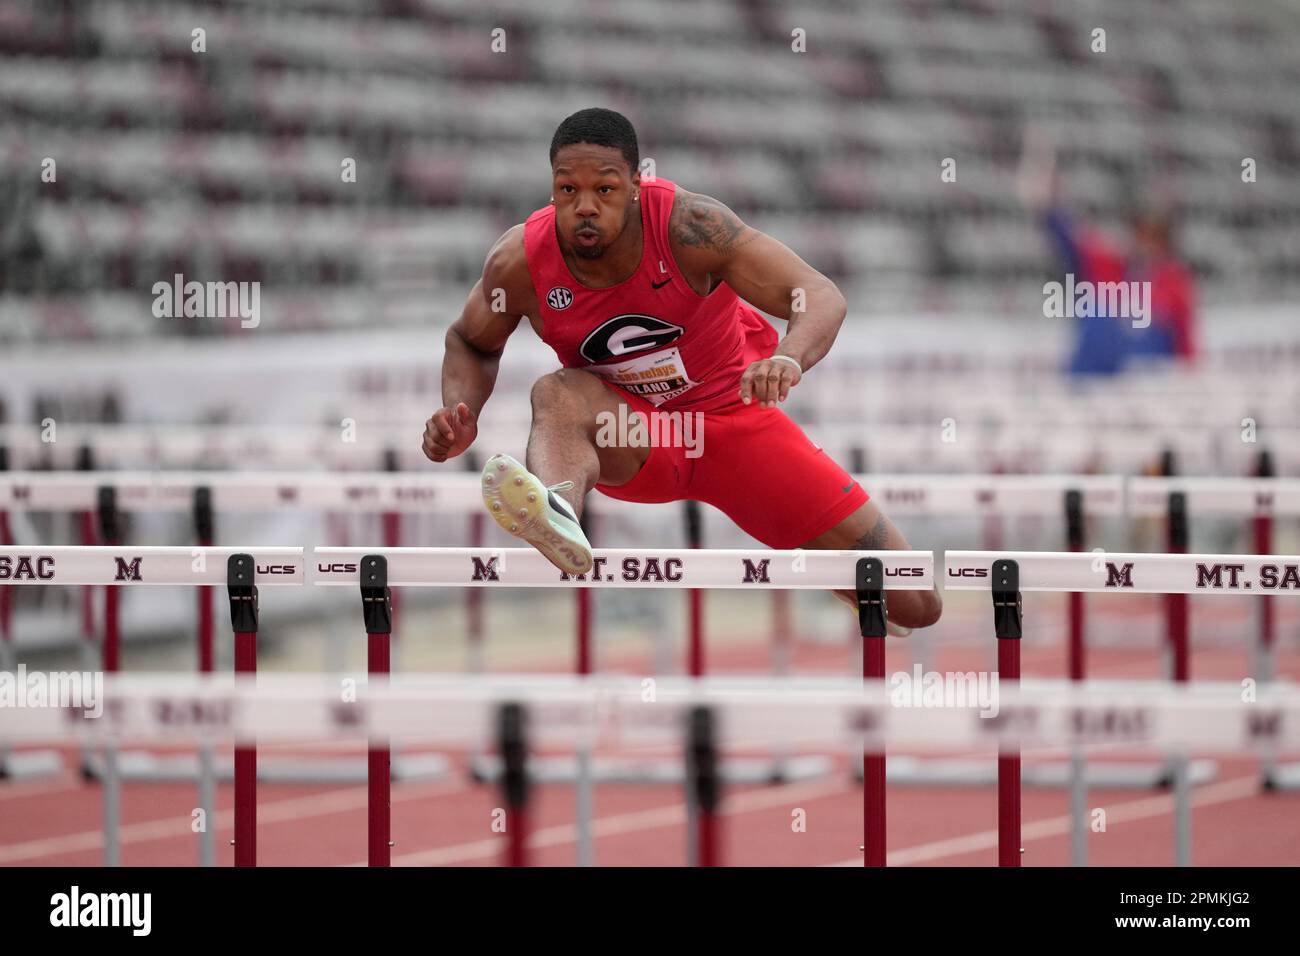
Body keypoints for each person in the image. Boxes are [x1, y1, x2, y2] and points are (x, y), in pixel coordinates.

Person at [422, 108, 940, 631]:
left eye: (604, 190)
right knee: (557, 393)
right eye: (566, 190)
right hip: (634, 432)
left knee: (916, 604)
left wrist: (789, 355)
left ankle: (831, 569)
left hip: (735, 425)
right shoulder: (521, 261)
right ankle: (558, 511)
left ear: (635, 186)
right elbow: (471, 340)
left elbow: (817, 294)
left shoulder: (692, 228)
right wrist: (459, 409)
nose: (584, 208)